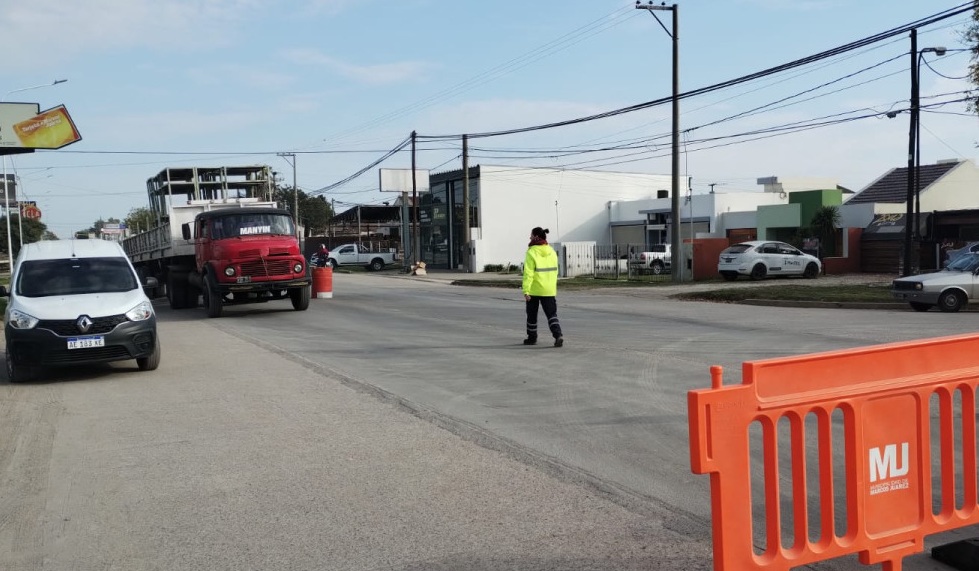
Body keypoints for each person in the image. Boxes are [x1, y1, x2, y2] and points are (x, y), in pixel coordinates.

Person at [522, 227, 563, 347]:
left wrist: (526, 290)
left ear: (535, 237)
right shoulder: (551, 251)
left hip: (534, 289)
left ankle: (532, 337)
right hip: (549, 289)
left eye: (531, 235)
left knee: (531, 314)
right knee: (551, 314)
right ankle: (558, 335)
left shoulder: (531, 252)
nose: (529, 237)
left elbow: (528, 273)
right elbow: (555, 271)